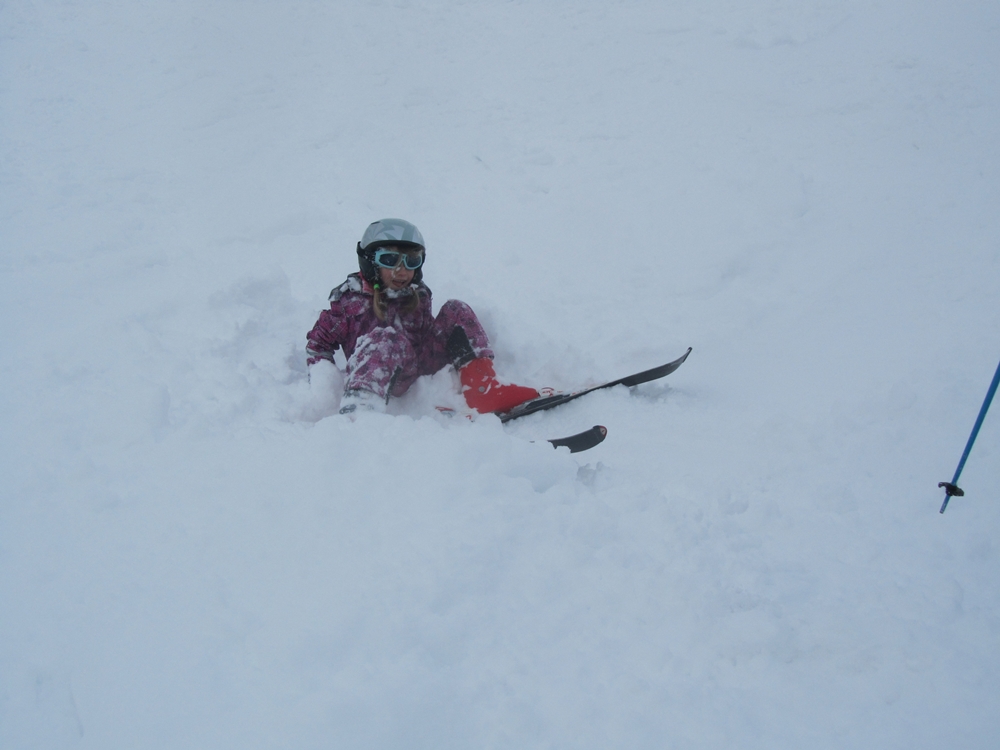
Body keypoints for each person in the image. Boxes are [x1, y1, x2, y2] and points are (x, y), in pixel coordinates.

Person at [307, 218, 540, 415]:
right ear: (369, 261)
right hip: (384, 378)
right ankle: (360, 410)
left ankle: (483, 388)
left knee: (455, 309)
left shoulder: (417, 294)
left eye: (411, 261)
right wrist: (325, 388)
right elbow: (318, 346)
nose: (402, 270)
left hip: (417, 365)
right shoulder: (350, 304)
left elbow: (428, 334)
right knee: (386, 340)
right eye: (390, 260)